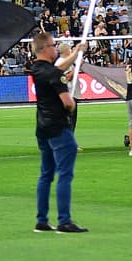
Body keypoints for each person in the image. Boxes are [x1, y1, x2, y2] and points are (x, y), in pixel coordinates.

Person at [31, 31, 87, 234]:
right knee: (65, 174)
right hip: (58, 128)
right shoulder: (54, 74)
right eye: (54, 45)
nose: (56, 48)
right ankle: (64, 221)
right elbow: (68, 102)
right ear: (46, 48)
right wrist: (70, 108)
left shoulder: (36, 70)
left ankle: (42, 219)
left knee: (46, 174)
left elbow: (56, 70)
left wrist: (76, 53)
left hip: (42, 127)